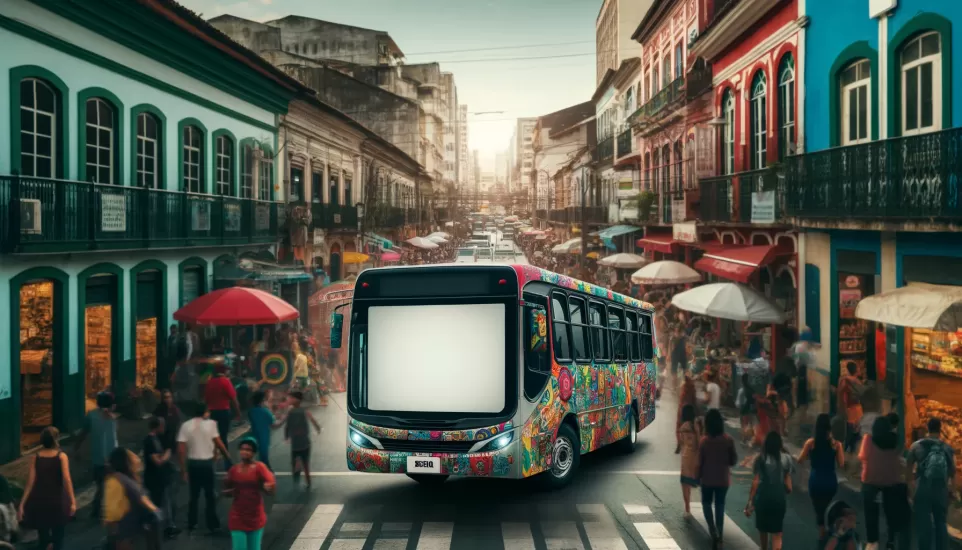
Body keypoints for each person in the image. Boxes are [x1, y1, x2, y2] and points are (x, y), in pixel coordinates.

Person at [178, 403, 231, 535]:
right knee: (209, 496)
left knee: (194, 495)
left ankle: (192, 522)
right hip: (207, 465)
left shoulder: (185, 426)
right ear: (205, 412)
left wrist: (183, 470)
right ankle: (212, 524)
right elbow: (220, 444)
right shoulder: (211, 424)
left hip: (193, 464)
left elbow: (181, 450)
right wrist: (229, 459)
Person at [18, 427, 74, 549]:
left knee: (43, 538)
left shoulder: (35, 457)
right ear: (56, 439)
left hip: (40, 501)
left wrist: (22, 504)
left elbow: (30, 482)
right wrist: (73, 500)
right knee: (58, 538)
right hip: (57, 501)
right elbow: (67, 479)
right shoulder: (61, 457)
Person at [907, 417, 956, 550]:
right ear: (940, 430)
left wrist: (911, 488)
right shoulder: (947, 448)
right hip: (941, 491)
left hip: (922, 489)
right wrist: (952, 491)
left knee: (924, 525)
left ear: (927, 429)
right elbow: (952, 473)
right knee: (941, 523)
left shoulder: (917, 445)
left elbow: (908, 467)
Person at [859, 415, 904, 550]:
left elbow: (862, 456)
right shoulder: (895, 440)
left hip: (871, 482)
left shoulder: (868, 439)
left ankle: (873, 542)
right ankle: (890, 542)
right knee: (891, 513)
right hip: (891, 481)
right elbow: (898, 455)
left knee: (871, 513)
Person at [797, 414, 845, 539]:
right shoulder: (836, 445)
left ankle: (822, 533)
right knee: (828, 505)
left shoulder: (811, 443)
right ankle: (831, 527)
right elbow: (841, 464)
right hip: (830, 480)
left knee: (819, 508)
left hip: (816, 480)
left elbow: (800, 460)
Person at [103, 447, 162, 549]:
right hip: (130, 536)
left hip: (131, 535)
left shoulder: (122, 480)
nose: (138, 459)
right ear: (126, 462)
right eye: (133, 456)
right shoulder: (117, 482)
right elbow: (112, 515)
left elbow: (111, 516)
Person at [224, 438, 276, 550]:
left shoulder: (260, 467)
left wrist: (268, 487)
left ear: (253, 453)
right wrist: (227, 492)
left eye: (248, 450)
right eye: (242, 449)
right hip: (237, 517)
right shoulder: (234, 470)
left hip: (255, 517)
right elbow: (227, 487)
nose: (245, 452)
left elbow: (271, 485)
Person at [746, 431, 794, 550]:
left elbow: (756, 482)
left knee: (763, 531)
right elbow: (789, 487)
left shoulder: (760, 458)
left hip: (762, 499)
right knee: (777, 534)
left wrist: (750, 502)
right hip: (778, 500)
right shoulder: (787, 459)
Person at [74, 391, 117, 521]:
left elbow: (83, 432)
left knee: (101, 484)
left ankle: (97, 509)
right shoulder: (111, 418)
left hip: (97, 458)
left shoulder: (92, 416)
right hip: (110, 458)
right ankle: (99, 509)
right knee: (105, 485)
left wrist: (76, 448)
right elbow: (110, 440)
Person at [698, 409, 737, 549]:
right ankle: (720, 533)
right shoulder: (728, 440)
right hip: (723, 479)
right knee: (720, 505)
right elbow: (733, 460)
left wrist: (697, 477)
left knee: (706, 503)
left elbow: (700, 462)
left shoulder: (704, 441)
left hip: (707, 479)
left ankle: (712, 530)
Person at [143, 416, 179, 540]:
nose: (164, 428)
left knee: (165, 503)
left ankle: (168, 527)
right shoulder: (149, 441)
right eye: (162, 425)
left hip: (160, 479)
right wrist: (167, 454)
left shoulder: (156, 439)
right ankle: (157, 529)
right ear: (157, 427)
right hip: (154, 480)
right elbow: (157, 461)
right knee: (158, 504)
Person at [279, 391, 322, 488]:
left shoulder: (291, 412)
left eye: (291, 398)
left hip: (297, 443)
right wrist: (318, 428)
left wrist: (286, 436)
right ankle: (308, 481)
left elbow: (287, 425)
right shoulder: (303, 411)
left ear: (296, 400)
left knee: (298, 460)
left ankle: (299, 472)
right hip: (304, 442)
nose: (289, 399)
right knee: (305, 462)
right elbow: (312, 420)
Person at [205, 363, 241, 468]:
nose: (228, 372)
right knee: (223, 436)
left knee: (213, 437)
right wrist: (238, 413)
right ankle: (227, 463)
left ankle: (211, 460)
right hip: (223, 412)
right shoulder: (225, 381)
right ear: (223, 371)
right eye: (227, 370)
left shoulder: (209, 383)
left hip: (212, 413)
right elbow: (234, 399)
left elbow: (206, 400)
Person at [248, 390, 283, 471]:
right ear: (262, 401)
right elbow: (274, 425)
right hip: (263, 438)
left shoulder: (251, 412)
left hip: (253, 437)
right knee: (264, 459)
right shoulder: (266, 412)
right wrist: (284, 420)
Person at [677, 404, 701, 519]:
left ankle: (687, 508)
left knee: (684, 483)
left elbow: (681, 443)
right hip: (694, 455)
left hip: (685, 456)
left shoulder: (682, 427)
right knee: (692, 481)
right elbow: (699, 440)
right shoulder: (694, 425)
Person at [836, 362, 864, 453]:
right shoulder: (853, 382)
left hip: (851, 409)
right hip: (854, 409)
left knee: (851, 430)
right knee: (853, 431)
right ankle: (846, 449)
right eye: (858, 368)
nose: (860, 370)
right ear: (855, 370)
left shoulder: (844, 380)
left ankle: (847, 449)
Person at [736, 373, 756, 444]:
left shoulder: (741, 390)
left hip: (743, 409)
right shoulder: (752, 390)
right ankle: (751, 438)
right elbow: (754, 399)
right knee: (750, 424)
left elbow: (738, 403)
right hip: (751, 409)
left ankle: (744, 439)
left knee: (744, 424)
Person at [0, 475, 18, 548]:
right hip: (6, 502)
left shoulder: (1, 479)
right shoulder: (2, 478)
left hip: (5, 503)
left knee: (9, 525)